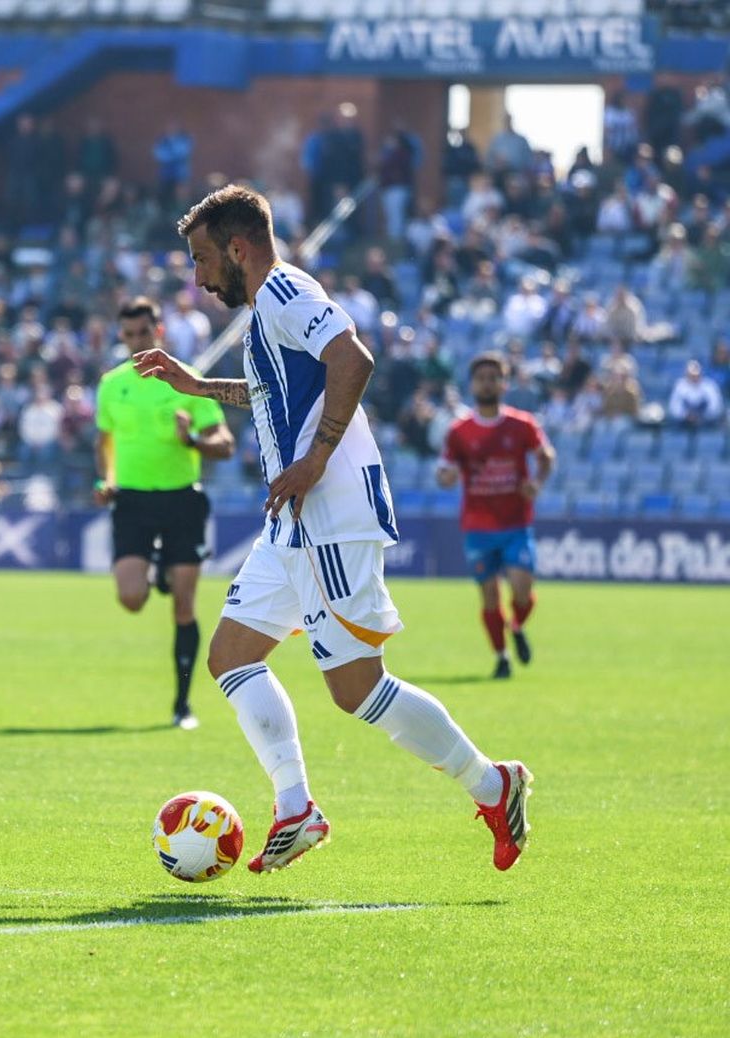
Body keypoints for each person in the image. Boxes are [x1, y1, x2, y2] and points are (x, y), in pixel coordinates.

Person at [133, 185, 532, 874]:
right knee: (230, 656)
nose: (197, 279)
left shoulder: (285, 289)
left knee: (357, 690)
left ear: (237, 248)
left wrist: (315, 459)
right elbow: (268, 391)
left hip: (330, 513)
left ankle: (495, 785)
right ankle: (296, 808)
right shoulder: (265, 314)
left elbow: (353, 360)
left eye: (201, 260)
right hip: (292, 520)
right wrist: (199, 387)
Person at [95, 296, 234, 730]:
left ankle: (182, 705)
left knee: (185, 605)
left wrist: (191, 438)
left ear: (160, 332)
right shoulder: (110, 384)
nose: (137, 343)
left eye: (144, 334)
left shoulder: (185, 380)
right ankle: (157, 570)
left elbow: (224, 444)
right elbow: (104, 440)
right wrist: (107, 479)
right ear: (122, 336)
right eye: (129, 335)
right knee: (131, 598)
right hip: (132, 501)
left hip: (181, 501)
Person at [436, 353, 556, 680]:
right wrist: (445, 478)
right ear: (472, 384)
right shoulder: (459, 430)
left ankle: (515, 626)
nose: (487, 383)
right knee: (489, 596)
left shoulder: (523, 424)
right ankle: (502, 657)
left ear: (504, 383)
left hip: (516, 522)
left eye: (493, 377)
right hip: (478, 526)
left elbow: (546, 456)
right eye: (481, 378)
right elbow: (445, 470)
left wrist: (537, 482)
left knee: (521, 588)